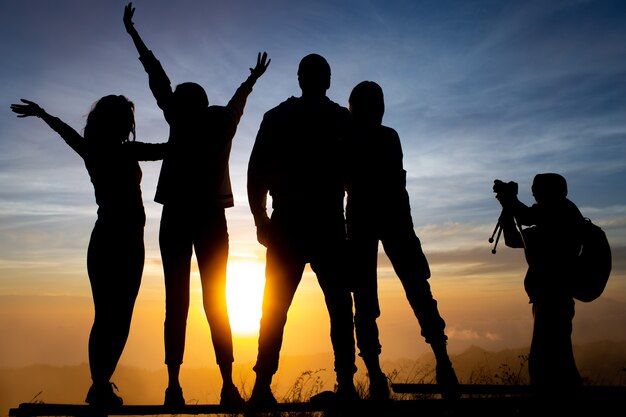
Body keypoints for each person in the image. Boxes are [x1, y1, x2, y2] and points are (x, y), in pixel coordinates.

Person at [123, 2, 270, 407]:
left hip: (176, 218)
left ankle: (174, 386)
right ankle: (227, 386)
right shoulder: (220, 122)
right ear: (204, 102)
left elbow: (158, 80)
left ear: (183, 104)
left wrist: (134, 35)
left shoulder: (179, 120)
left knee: (178, 301)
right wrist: (251, 78)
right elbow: (237, 100)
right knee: (214, 303)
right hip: (210, 219)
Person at [10, 96, 166, 407]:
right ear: (122, 124)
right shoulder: (124, 151)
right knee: (119, 318)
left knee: (106, 316)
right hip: (124, 242)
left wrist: (42, 113)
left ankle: (100, 385)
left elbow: (64, 131)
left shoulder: (91, 150)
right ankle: (100, 385)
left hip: (104, 241)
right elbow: (164, 150)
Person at [246, 53, 357, 408]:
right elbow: (357, 174)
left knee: (275, 309)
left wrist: (261, 219)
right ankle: (346, 385)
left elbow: (255, 172)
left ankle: (262, 386)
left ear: (299, 79)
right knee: (340, 306)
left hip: (289, 224)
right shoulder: (341, 119)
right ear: (327, 80)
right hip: (325, 224)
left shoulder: (278, 117)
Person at [343, 81, 459, 400]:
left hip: (366, 219)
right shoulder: (388, 136)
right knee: (417, 290)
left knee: (366, 301)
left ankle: (377, 376)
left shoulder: (353, 136)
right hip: (395, 217)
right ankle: (442, 361)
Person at [494, 174, 584, 396]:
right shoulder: (553, 220)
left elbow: (525, 216)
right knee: (557, 357)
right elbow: (514, 239)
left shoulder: (561, 210)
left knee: (545, 359)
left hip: (554, 296)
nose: (533, 193)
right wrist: (508, 208)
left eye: (536, 189)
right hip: (549, 297)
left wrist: (510, 200)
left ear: (550, 191)